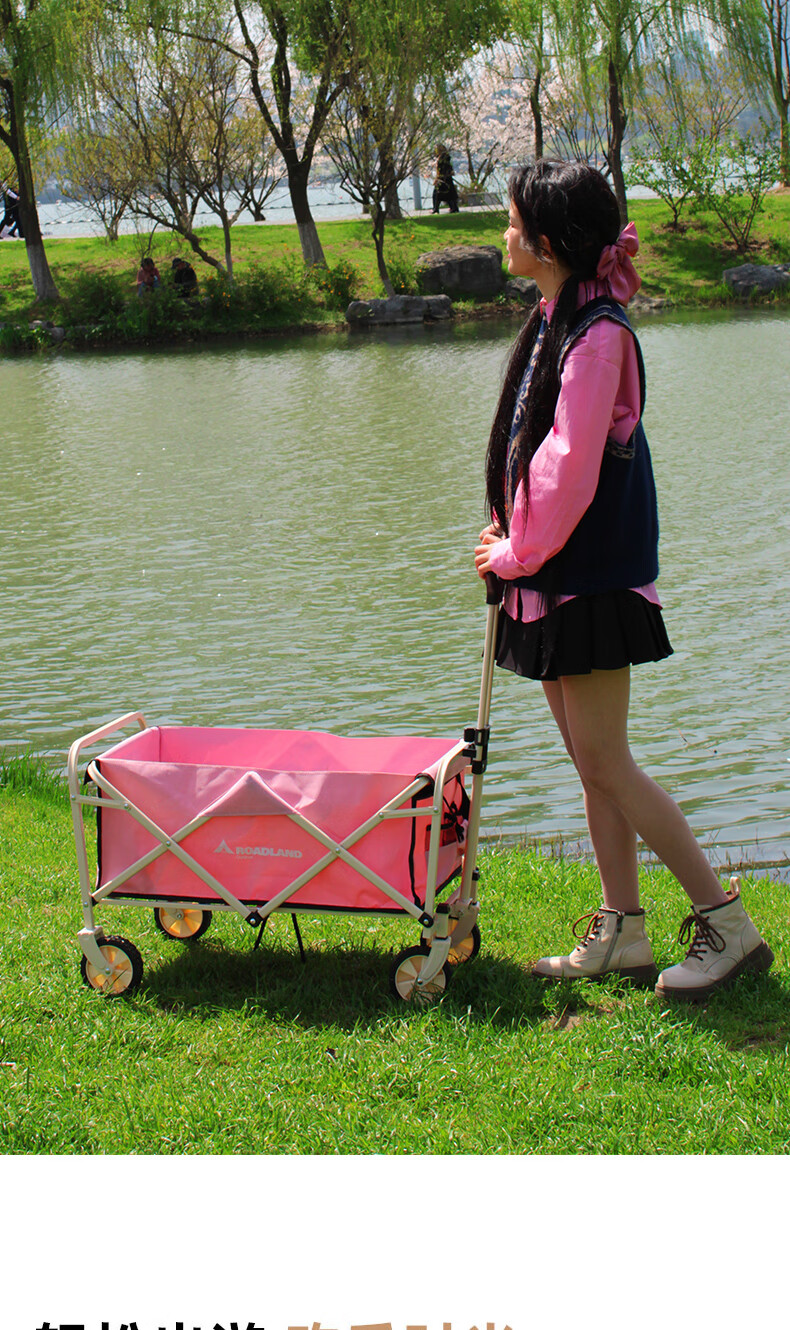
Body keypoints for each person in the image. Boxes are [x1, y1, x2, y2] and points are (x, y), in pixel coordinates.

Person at [474, 158, 773, 1001]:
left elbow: (570, 467)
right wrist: (509, 532)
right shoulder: (555, 320)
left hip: (589, 580)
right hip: (553, 574)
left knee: (607, 760)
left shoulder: (598, 335)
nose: (503, 235)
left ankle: (727, 924)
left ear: (546, 242)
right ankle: (623, 930)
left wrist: (517, 551)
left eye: (511, 222)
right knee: (591, 762)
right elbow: (533, 449)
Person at [432, 145, 459, 214]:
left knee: (437, 194)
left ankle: (436, 209)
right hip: (448, 179)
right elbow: (449, 168)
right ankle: (454, 207)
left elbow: (440, 170)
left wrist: (437, 178)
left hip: (442, 179)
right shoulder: (447, 157)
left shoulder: (442, 159)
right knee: (449, 194)